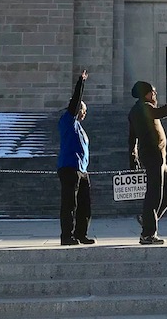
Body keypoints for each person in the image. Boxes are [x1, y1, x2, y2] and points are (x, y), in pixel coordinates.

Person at [128, 81, 167, 245]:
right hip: (154, 155)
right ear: (146, 94)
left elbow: (132, 138)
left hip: (157, 156)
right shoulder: (144, 108)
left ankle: (148, 220)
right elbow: (164, 111)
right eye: (153, 92)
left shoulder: (135, 110)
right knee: (154, 193)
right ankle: (148, 233)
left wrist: (133, 156)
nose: (155, 95)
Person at [57, 70, 95, 246]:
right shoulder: (68, 120)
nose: (84, 114)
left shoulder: (79, 127)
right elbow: (75, 101)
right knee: (70, 204)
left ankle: (81, 233)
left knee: (84, 204)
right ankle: (67, 236)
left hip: (82, 169)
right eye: (83, 110)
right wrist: (81, 82)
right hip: (69, 168)